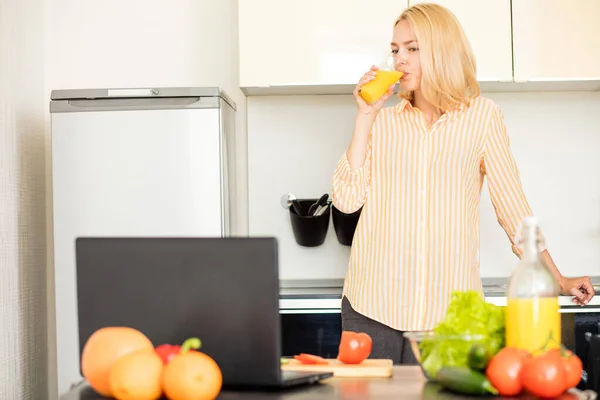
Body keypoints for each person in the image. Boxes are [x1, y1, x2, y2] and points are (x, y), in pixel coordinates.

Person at [331, 2, 595, 365]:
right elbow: (346, 200)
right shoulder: (383, 121)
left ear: (441, 50)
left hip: (449, 316)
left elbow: (512, 207)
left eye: (412, 48)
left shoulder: (483, 117)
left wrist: (559, 278)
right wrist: (364, 116)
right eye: (395, 50)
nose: (399, 60)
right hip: (372, 305)